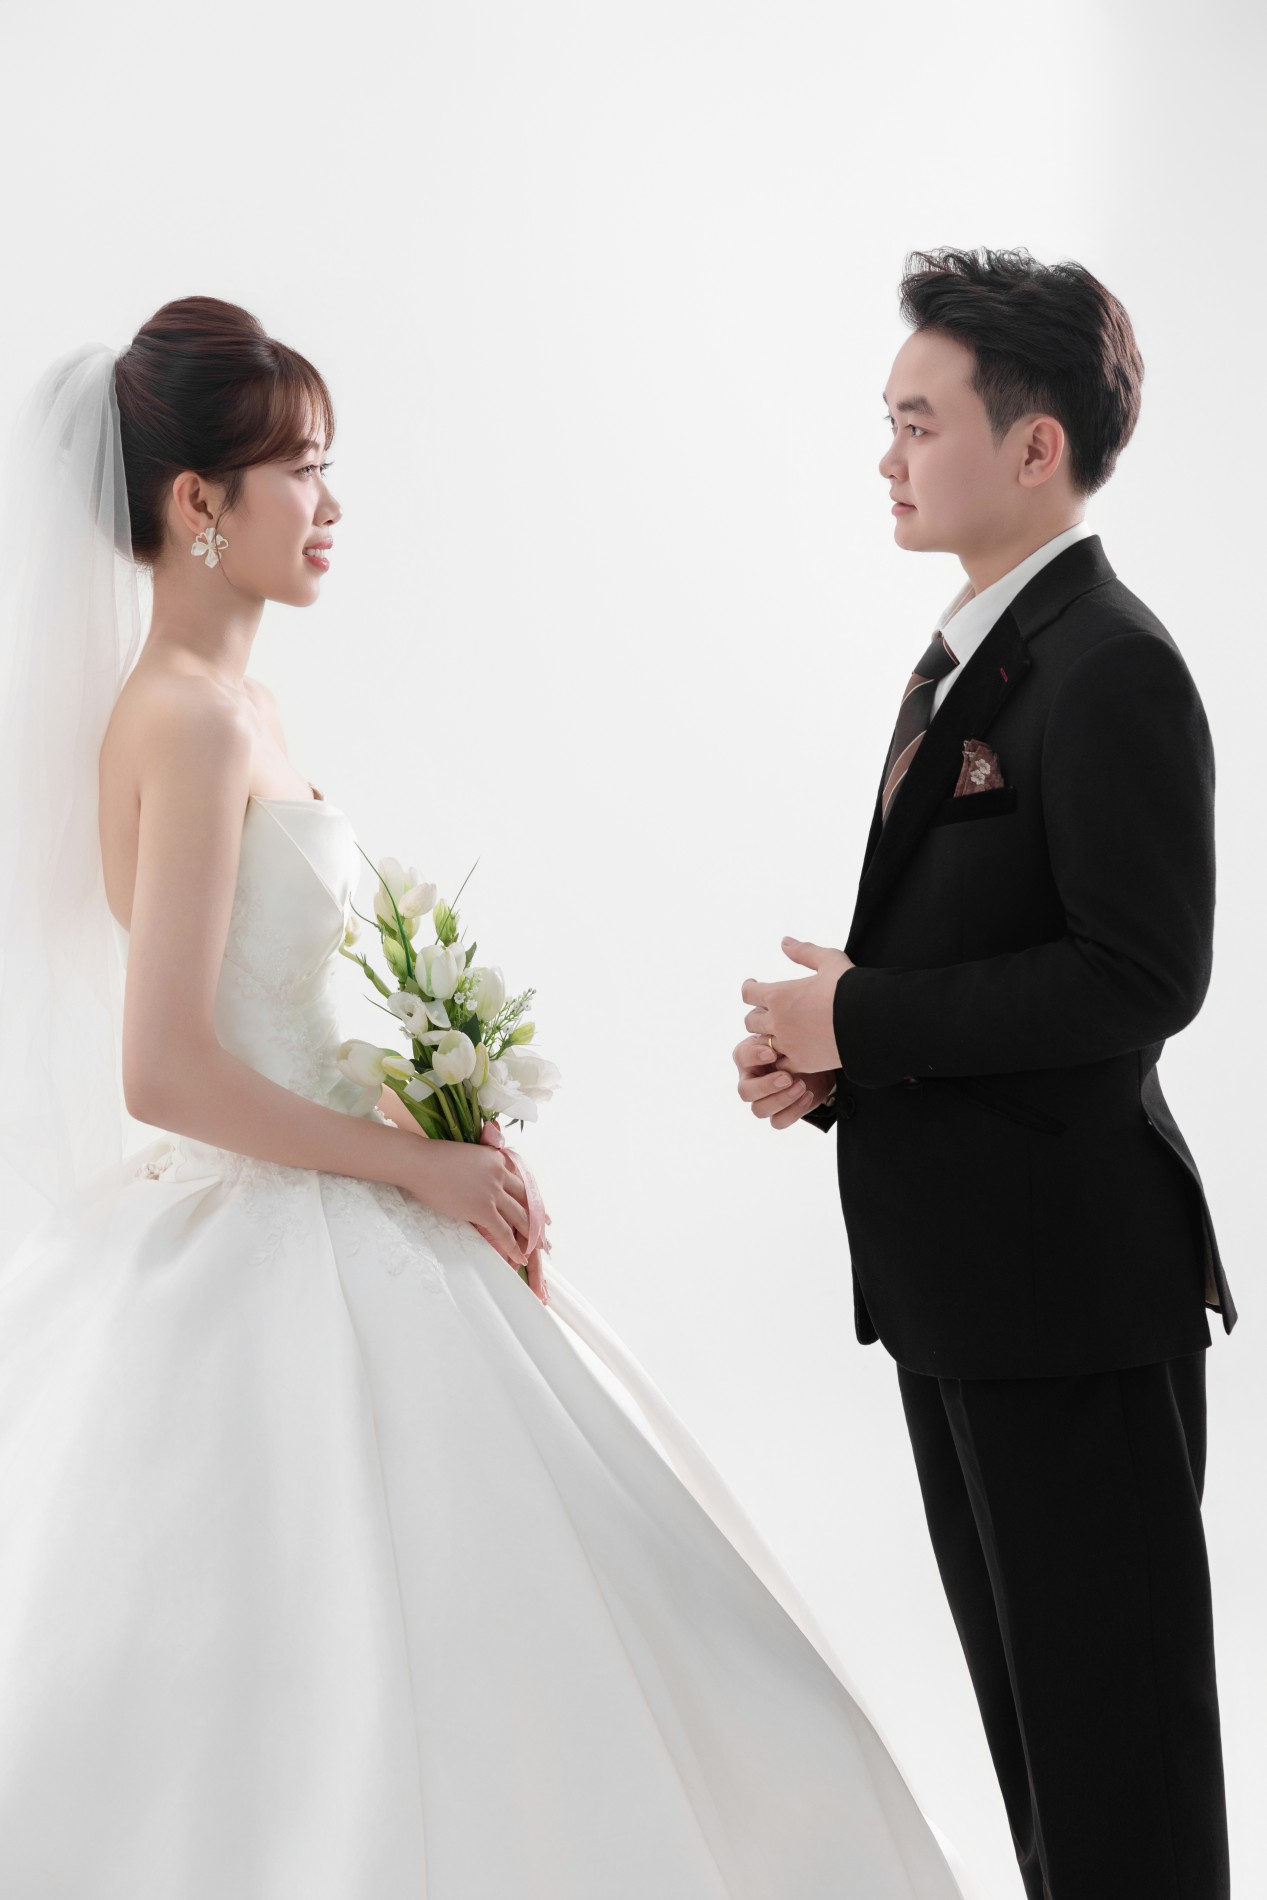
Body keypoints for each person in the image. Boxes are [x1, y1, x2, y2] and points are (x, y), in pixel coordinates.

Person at [0, 296, 971, 1899]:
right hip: (278, 1234)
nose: (330, 504)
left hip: (356, 1188)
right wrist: (408, 1169)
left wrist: (438, 1127)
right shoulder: (186, 718)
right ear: (196, 502)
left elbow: (279, 1001)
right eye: (300, 468)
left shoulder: (243, 709)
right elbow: (161, 1067)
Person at [735, 246, 1233, 1899]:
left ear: (1035, 447)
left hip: (1073, 1304)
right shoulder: (969, 654)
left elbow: (1140, 977)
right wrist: (835, 1056)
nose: (886, 455)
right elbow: (989, 954)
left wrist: (867, 1021)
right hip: (969, 1296)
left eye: (917, 421)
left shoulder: (1113, 663)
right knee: (1046, 1767)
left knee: (1121, 1789)